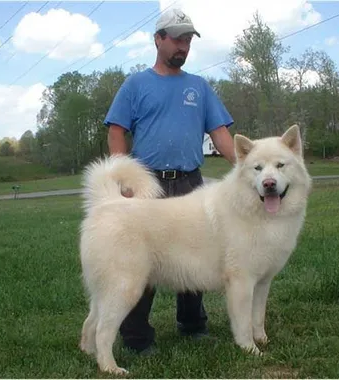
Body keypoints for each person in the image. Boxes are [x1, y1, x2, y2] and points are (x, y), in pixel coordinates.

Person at [103, 7, 236, 354]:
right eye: (177, 38)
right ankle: (136, 338)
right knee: (141, 261)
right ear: (158, 39)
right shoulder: (135, 85)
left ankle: (192, 324)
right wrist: (123, 180)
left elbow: (220, 134)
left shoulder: (199, 87)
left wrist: (251, 166)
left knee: (195, 257)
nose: (183, 46)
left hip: (191, 183)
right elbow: (117, 132)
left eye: (188, 40)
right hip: (147, 186)